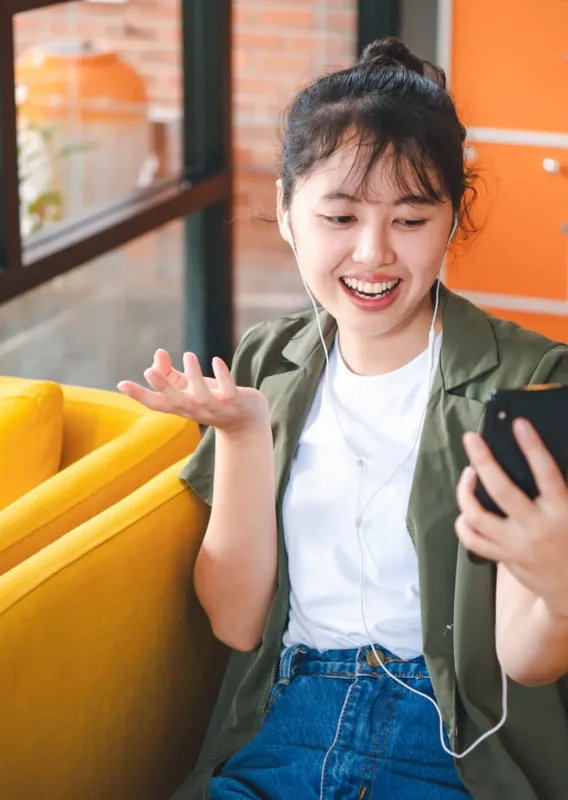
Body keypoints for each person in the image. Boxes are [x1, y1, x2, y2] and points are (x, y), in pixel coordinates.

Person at [118, 38, 568, 800]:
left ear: (453, 223)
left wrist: (559, 581)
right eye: (339, 215)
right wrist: (240, 435)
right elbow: (235, 624)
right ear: (288, 214)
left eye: (411, 219)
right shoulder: (267, 361)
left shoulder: (533, 381)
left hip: (451, 745)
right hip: (282, 723)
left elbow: (525, 661)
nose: (373, 253)